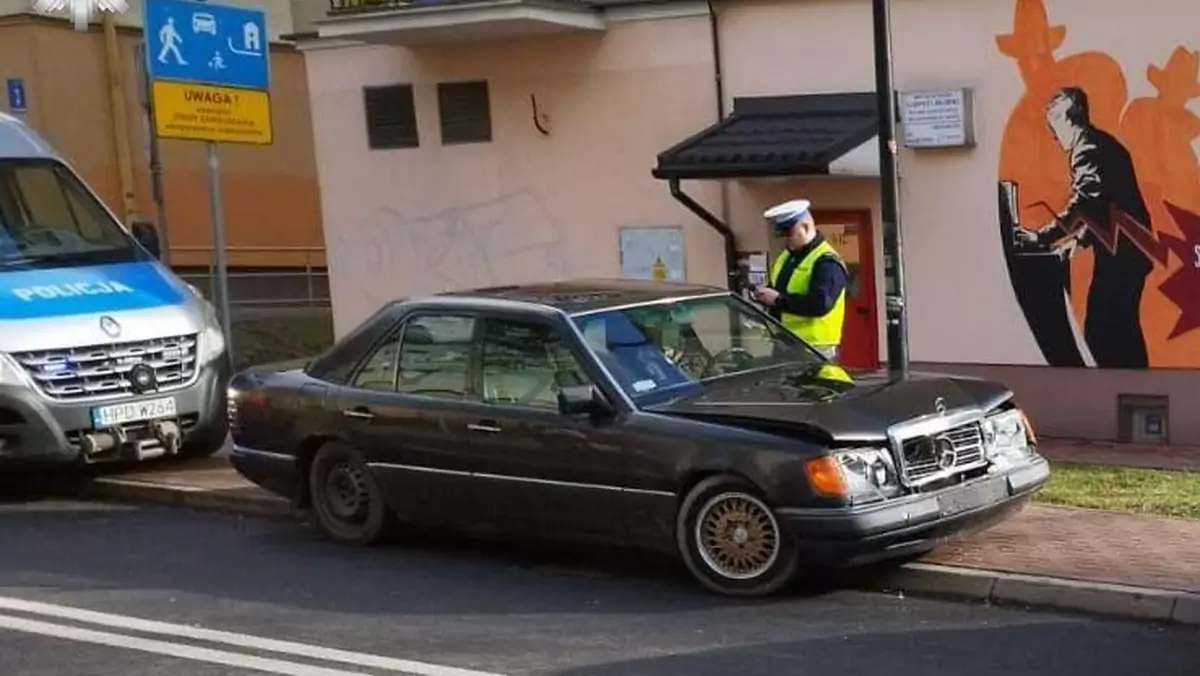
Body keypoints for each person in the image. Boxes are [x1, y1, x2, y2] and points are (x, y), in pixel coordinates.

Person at [1015, 86, 1154, 368]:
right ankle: (1134, 378)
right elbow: (1107, 206)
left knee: (1103, 329)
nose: (1053, 135)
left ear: (1071, 119)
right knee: (1120, 328)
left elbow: (1086, 202)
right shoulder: (1100, 143)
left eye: (1055, 124)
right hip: (1130, 252)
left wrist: (1042, 238)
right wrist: (1077, 239)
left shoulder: (1087, 150)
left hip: (1122, 255)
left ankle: (1121, 384)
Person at [752, 199, 849, 361]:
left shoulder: (827, 262)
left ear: (805, 227)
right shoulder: (787, 257)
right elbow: (778, 289)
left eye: (789, 234)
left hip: (815, 349)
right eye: (782, 235)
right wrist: (763, 296)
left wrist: (777, 300)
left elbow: (820, 304)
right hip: (784, 345)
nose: (785, 240)